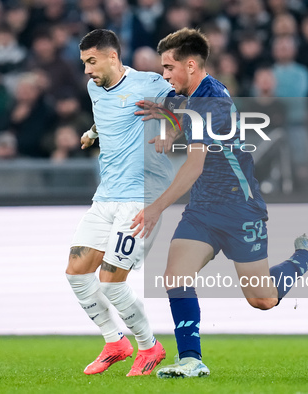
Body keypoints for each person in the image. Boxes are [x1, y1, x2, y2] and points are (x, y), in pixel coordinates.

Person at [130, 28, 308, 378]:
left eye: (168, 67)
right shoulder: (188, 92)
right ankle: (191, 359)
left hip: (239, 206)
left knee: (263, 300)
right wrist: (168, 128)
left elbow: (194, 165)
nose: (164, 75)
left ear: (191, 65)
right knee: (176, 277)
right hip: (203, 208)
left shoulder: (211, 101)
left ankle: (307, 255)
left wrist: (156, 207)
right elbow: (178, 112)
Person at [65, 29, 174, 377]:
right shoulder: (94, 88)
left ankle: (149, 346)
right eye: (84, 63)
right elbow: (109, 113)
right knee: (77, 272)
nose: (86, 71)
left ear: (113, 57)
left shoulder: (150, 83)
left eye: (91, 62)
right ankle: (115, 342)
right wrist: (93, 132)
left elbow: (191, 104)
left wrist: (171, 124)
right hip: (106, 195)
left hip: (141, 196)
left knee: (112, 281)